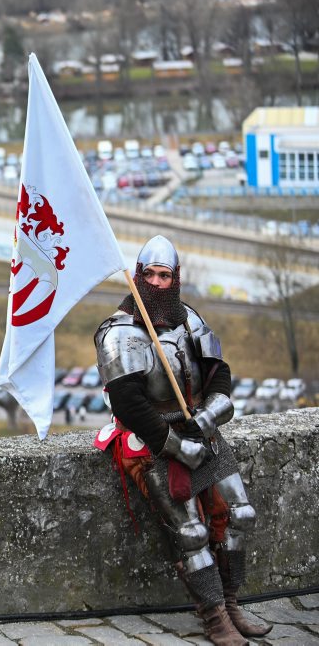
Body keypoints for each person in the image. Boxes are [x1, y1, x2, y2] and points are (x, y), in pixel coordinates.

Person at [92, 235, 270, 646]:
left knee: (239, 514)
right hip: (151, 438)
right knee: (191, 533)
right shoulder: (119, 332)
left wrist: (206, 418)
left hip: (198, 426)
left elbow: (218, 374)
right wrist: (174, 444)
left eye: (164, 274)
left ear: (175, 279)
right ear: (138, 277)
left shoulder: (189, 318)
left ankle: (231, 602)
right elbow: (128, 402)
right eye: (149, 274)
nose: (155, 282)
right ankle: (213, 617)